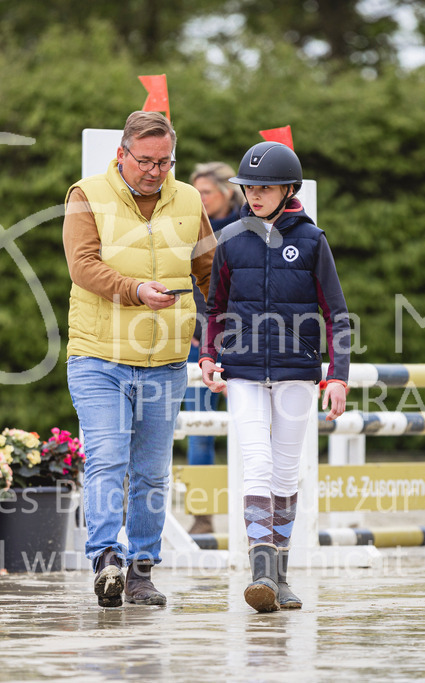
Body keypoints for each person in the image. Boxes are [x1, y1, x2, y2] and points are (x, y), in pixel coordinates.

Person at [62, 111, 215, 608]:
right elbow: (82, 266)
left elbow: (210, 270)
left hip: (167, 359)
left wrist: (225, 334)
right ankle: (106, 557)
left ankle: (142, 569)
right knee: (107, 459)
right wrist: (133, 290)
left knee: (151, 473)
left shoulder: (189, 199)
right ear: (122, 154)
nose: (155, 171)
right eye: (145, 160)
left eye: (165, 161)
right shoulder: (86, 195)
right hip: (98, 357)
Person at [198, 141, 350, 613]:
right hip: (242, 371)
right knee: (257, 464)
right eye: (249, 187)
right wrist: (208, 355)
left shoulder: (312, 240)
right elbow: (215, 307)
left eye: (264, 187)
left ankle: (279, 576)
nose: (255, 195)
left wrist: (337, 376)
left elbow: (337, 313)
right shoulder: (231, 239)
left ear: (288, 189)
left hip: (297, 373)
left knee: (286, 472)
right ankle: (260, 572)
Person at [184, 162, 244, 535]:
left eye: (205, 192)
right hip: (198, 340)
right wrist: (192, 328)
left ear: (226, 192)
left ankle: (254, 514)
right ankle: (202, 514)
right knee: (200, 427)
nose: (199, 199)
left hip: (242, 338)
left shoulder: (250, 223)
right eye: (196, 192)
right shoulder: (187, 225)